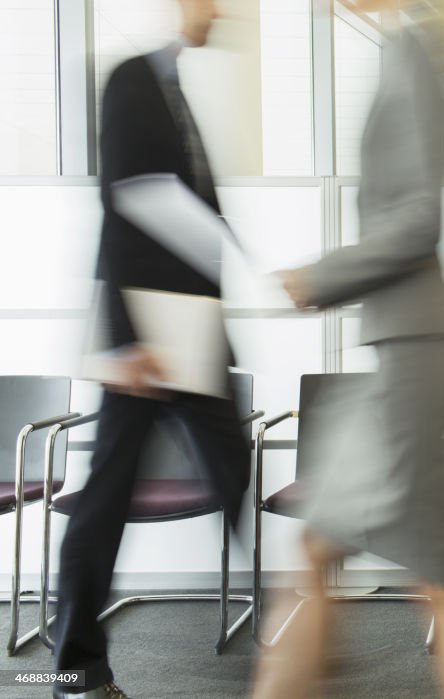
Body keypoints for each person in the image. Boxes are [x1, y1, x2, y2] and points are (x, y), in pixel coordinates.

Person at [252, 2, 444, 698]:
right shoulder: (407, 43)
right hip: (404, 346)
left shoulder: (414, 47)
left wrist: (323, 276)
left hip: (413, 346)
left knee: (433, 572)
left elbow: (419, 219)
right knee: (335, 550)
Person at [51, 3, 250, 699]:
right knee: (106, 498)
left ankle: (280, 632)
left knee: (233, 470)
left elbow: (185, 210)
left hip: (193, 334)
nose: (218, 11)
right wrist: (127, 340)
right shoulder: (133, 80)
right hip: (148, 342)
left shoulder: (175, 89)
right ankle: (77, 668)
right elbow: (122, 203)